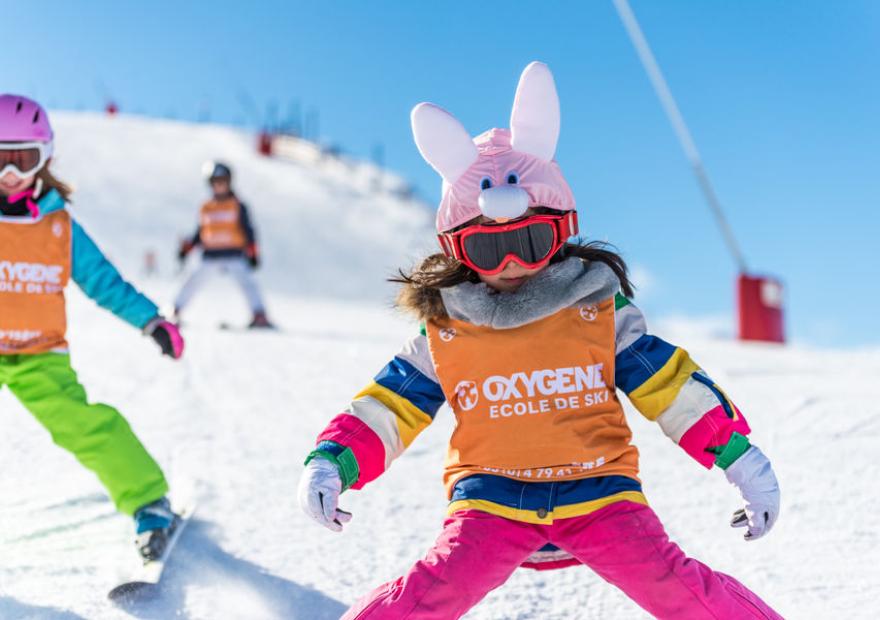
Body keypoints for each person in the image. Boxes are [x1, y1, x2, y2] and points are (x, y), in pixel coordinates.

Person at [297, 63, 783, 618]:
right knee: (430, 594)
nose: (509, 266)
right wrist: (333, 461)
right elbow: (391, 404)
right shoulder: (449, 326)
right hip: (490, 502)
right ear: (456, 248)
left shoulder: (595, 309)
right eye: (485, 250)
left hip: (601, 494)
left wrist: (741, 461)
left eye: (529, 241)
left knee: (675, 584)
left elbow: (672, 389)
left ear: (561, 226)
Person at [0, 94, 185, 560]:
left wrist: (150, 321)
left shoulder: (58, 226)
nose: (9, 173)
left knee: (84, 427)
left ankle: (149, 502)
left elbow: (103, 281)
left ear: (44, 160)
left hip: (40, 355)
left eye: (22, 159)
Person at [174, 161, 272, 328]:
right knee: (191, 281)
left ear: (229, 182)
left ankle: (259, 315)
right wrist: (187, 248)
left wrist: (253, 252)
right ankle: (175, 311)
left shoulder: (237, 205)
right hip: (210, 255)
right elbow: (200, 232)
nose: (219, 185)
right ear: (210, 184)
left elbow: (248, 231)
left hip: (233, 253)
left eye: (222, 181)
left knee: (248, 283)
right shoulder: (206, 207)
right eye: (215, 182)